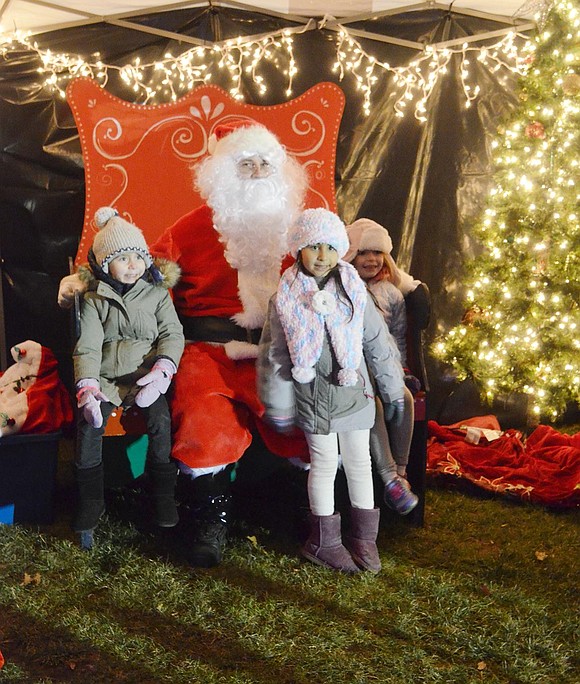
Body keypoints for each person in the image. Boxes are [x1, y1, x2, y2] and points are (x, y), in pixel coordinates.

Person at [59, 120, 310, 566]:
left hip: (279, 352)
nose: (254, 173)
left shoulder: (297, 232)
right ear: (222, 173)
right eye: (244, 164)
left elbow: (337, 274)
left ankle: (299, 510)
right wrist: (80, 280)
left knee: (305, 416)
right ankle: (210, 520)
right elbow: (133, 264)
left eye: (263, 164)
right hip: (206, 351)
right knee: (205, 421)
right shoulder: (192, 227)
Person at [257, 208, 406, 574]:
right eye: (312, 247)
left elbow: (377, 341)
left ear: (340, 249)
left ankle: (364, 539)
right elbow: (274, 354)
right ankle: (323, 540)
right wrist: (277, 405)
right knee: (324, 463)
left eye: (329, 246)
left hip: (354, 392)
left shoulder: (355, 291)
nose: (321, 255)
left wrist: (392, 389)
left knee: (360, 462)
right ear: (298, 250)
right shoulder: (286, 298)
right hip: (314, 396)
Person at [73, 207, 185, 550]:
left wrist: (162, 370)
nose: (133, 264)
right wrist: (88, 386)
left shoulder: (155, 295)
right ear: (105, 265)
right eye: (123, 259)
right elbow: (88, 347)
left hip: (145, 377)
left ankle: (162, 493)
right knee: (89, 426)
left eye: (139, 256)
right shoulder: (95, 300)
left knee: (161, 421)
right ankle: (90, 502)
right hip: (106, 379)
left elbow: (172, 334)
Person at [345, 218, 421, 515]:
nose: (372, 260)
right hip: (358, 369)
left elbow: (398, 336)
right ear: (351, 256)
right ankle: (388, 476)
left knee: (405, 399)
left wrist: (402, 370)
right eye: (364, 253)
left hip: (386, 366)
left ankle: (400, 477)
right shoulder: (346, 289)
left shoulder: (391, 293)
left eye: (378, 253)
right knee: (372, 407)